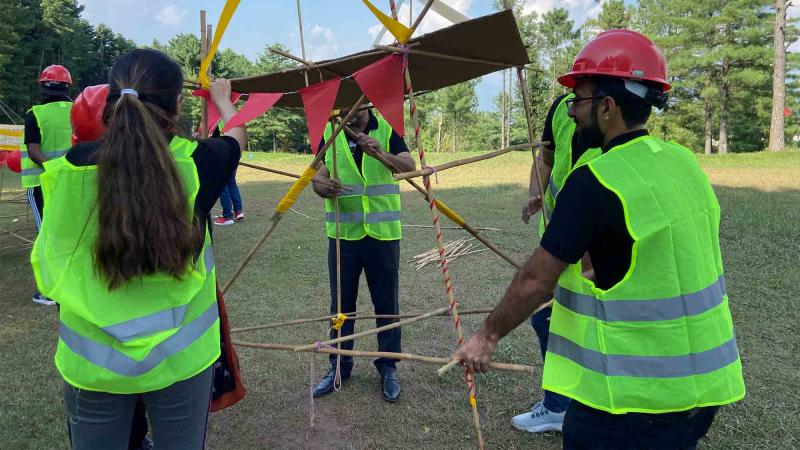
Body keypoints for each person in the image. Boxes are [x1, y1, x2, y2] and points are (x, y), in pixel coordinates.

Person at [453, 30, 746, 449]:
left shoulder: (595, 180)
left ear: (607, 107)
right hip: (703, 390)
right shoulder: (683, 162)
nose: (572, 112)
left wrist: (486, 336)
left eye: (578, 100)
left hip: (634, 400)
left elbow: (536, 280)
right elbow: (656, 253)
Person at [30, 49, 246, 450]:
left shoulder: (67, 170)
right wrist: (222, 101)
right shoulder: (199, 163)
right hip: (181, 362)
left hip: (92, 365)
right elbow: (236, 138)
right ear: (177, 104)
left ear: (109, 101)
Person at [310, 108, 415, 402]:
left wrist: (381, 153)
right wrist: (323, 187)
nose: (346, 110)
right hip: (344, 236)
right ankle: (339, 366)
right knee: (341, 305)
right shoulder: (331, 132)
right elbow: (317, 176)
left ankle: (388, 367)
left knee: (386, 305)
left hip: (382, 235)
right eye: (342, 104)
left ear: (365, 103)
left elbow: (408, 166)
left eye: (352, 103)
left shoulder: (387, 129)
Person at [513, 93, 602, 433]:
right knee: (546, 319)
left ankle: (572, 407)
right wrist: (534, 193)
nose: (572, 107)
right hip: (558, 240)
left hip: (592, 248)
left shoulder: (618, 133)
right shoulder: (562, 109)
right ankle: (559, 405)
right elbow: (546, 158)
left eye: (581, 95)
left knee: (578, 325)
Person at [23, 64, 73, 306]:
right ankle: (72, 282)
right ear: (67, 87)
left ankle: (50, 291)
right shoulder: (78, 110)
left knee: (46, 235)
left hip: (41, 183)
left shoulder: (34, 114)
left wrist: (52, 169)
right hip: (72, 182)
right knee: (72, 230)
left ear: (42, 87)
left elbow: (34, 152)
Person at [212, 120, 245, 226]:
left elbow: (212, 136)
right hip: (235, 151)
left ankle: (227, 216)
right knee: (231, 182)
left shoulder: (216, 120)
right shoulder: (232, 118)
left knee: (223, 185)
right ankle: (238, 211)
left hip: (223, 153)